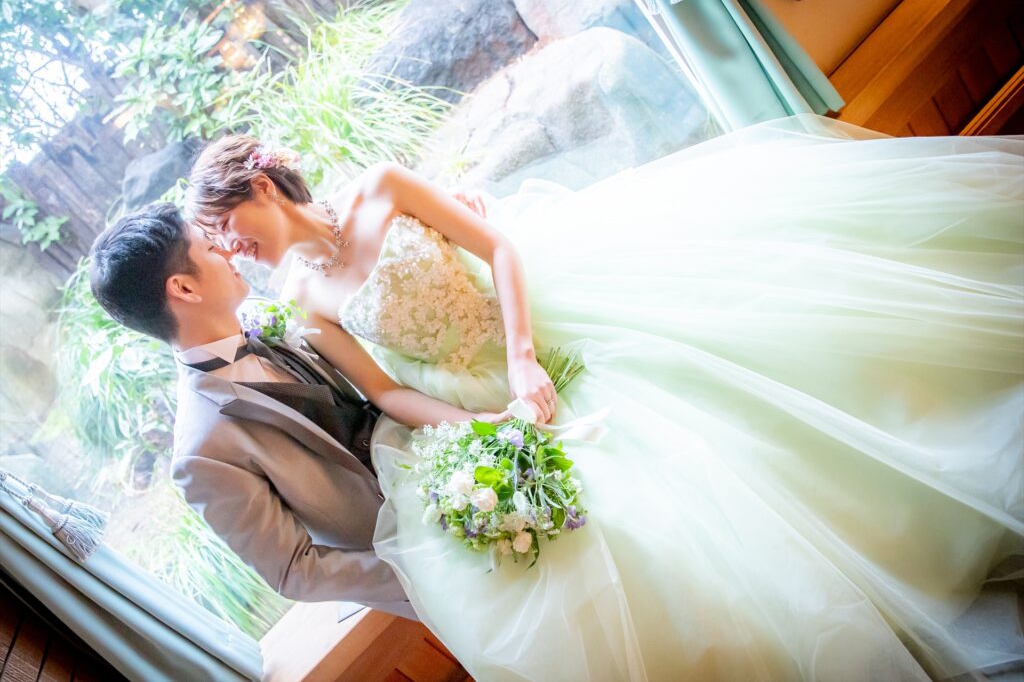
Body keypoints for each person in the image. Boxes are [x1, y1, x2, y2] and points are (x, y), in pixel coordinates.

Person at [185, 115, 1024, 681]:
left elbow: (498, 245)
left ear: (261, 187)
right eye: (216, 244)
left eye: (225, 227)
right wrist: (484, 427)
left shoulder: (382, 186)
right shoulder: (303, 299)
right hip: (467, 399)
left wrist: (523, 360)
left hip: (538, 323)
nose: (230, 249)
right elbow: (385, 390)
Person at [88, 202, 507, 621]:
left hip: (456, 469)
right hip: (424, 559)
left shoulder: (263, 314)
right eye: (211, 248)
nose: (229, 250)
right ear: (184, 288)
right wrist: (427, 569)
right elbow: (295, 570)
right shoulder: (202, 451)